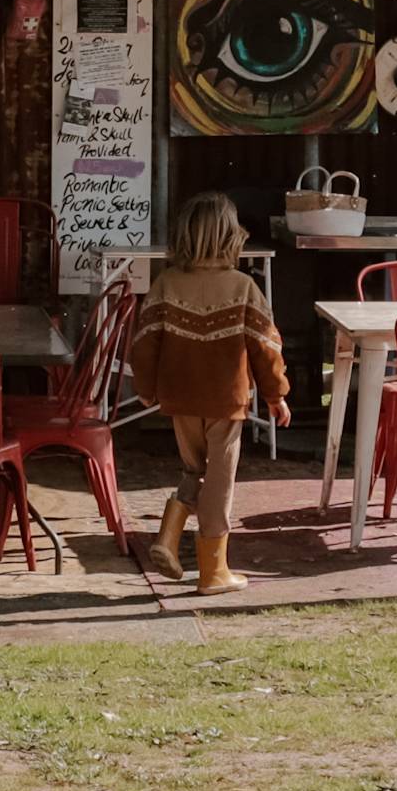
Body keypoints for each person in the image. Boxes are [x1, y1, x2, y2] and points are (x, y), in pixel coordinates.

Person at [122, 192, 286, 594]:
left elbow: (144, 343)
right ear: (232, 238)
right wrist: (275, 394)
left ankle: (168, 536)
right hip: (225, 401)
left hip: (179, 398)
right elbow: (265, 348)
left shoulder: (166, 284)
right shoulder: (243, 287)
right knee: (220, 481)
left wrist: (145, 389)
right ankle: (214, 572)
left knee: (194, 469)